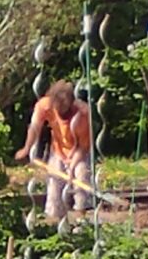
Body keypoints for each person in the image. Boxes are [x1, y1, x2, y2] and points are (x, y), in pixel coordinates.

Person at [15, 80, 95, 227]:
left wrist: (72, 166)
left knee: (81, 177)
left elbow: (83, 148)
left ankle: (80, 219)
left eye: (65, 109)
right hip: (58, 150)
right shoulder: (45, 105)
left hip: (78, 152)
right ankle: (55, 224)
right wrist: (27, 148)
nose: (61, 112)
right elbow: (34, 127)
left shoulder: (82, 115)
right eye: (59, 109)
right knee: (54, 184)